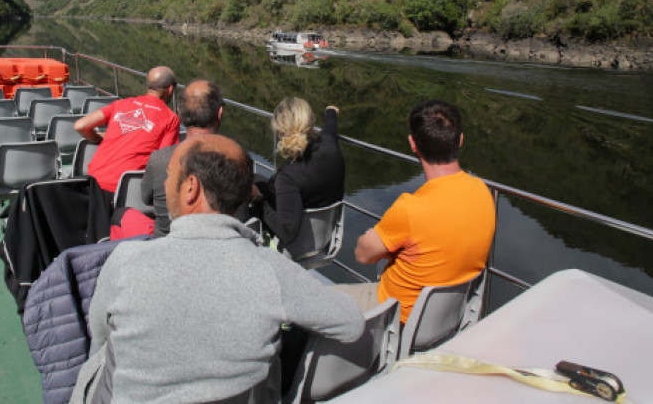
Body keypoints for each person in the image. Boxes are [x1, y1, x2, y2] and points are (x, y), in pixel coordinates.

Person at [70, 135, 365, 404]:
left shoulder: (126, 262)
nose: (164, 184)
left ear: (190, 188)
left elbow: (99, 346)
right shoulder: (271, 270)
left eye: (170, 175)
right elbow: (351, 323)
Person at [340, 99, 495, 324]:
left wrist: (387, 246)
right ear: (460, 141)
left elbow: (362, 255)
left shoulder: (410, 209)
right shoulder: (483, 193)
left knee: (313, 299)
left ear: (413, 144)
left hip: (395, 314)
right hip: (447, 319)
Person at [74, 66, 180, 202]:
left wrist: (99, 137)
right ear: (170, 89)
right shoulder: (170, 118)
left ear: (148, 86)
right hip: (126, 191)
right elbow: (164, 161)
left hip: (93, 182)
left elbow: (80, 125)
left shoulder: (120, 104)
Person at [254, 98, 345, 247]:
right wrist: (331, 112)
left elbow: (287, 233)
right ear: (311, 124)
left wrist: (256, 199)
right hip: (325, 241)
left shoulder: (288, 176)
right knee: (256, 179)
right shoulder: (331, 146)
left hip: (297, 247)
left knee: (247, 194)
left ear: (278, 131)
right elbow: (330, 127)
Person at [141, 78, 223, 237]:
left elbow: (146, 198)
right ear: (220, 113)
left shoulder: (159, 159)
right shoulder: (237, 161)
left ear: (179, 113)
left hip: (163, 243)